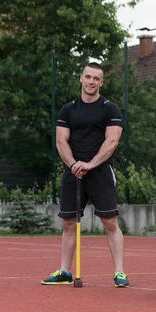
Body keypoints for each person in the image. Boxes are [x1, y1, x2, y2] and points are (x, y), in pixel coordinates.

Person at [41, 62, 129, 288]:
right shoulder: (68, 110)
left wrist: (89, 164)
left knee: (109, 222)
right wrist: (73, 165)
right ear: (81, 79)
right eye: (88, 77)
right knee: (69, 223)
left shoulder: (111, 109)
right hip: (73, 173)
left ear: (101, 82)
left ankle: (119, 272)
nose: (91, 82)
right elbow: (61, 141)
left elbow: (112, 142)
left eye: (96, 78)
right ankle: (65, 272)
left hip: (100, 172)